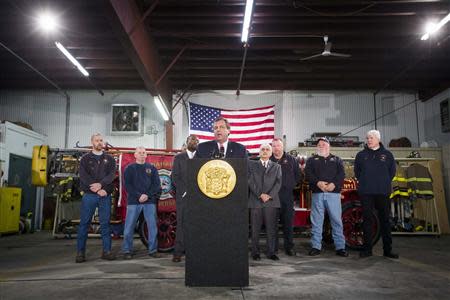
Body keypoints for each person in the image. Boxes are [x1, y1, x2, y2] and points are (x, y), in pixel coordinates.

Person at [355, 130, 398, 259]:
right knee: (367, 221)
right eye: (367, 138)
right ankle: (367, 249)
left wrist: (382, 182)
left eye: (371, 138)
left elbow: (392, 172)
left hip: (382, 192)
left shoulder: (388, 155)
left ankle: (387, 250)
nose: (369, 140)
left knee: (385, 221)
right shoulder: (361, 155)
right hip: (366, 193)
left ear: (378, 139)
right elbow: (357, 172)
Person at [76, 133, 116, 263]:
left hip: (104, 195)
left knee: (105, 224)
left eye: (101, 140)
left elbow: (111, 176)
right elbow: (83, 176)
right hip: (89, 196)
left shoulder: (109, 159)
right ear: (92, 142)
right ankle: (80, 253)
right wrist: (96, 187)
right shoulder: (85, 159)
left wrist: (102, 186)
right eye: (97, 140)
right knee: (84, 224)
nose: (100, 142)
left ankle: (107, 251)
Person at [304, 137, 348, 257]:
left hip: (333, 194)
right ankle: (316, 246)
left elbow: (341, 174)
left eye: (323, 144)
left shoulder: (337, 160)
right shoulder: (312, 160)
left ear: (329, 146)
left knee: (336, 221)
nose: (321, 146)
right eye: (319, 144)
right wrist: (318, 183)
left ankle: (340, 247)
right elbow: (308, 173)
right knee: (317, 221)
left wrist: (334, 184)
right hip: (318, 194)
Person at [122, 147, 161, 259]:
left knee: (152, 227)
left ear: (146, 155)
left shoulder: (152, 168)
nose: (142, 154)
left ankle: (153, 250)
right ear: (135, 155)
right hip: (134, 202)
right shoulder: (129, 168)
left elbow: (156, 185)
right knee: (129, 227)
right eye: (140, 153)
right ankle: (127, 250)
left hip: (149, 201)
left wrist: (147, 195)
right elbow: (127, 185)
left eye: (144, 153)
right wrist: (139, 196)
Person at [248, 144, 282, 261]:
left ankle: (271, 252)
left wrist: (269, 195)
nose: (265, 151)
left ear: (271, 153)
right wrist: (260, 194)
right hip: (255, 201)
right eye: (263, 149)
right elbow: (250, 181)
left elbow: (278, 183)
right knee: (255, 229)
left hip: (271, 202)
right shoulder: (251, 164)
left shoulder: (277, 167)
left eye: (268, 149)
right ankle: (255, 252)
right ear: (259, 152)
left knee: (271, 229)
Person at [270, 138, 301, 256]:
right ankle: (274, 248)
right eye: (274, 146)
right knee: (272, 225)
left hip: (287, 197)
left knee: (288, 224)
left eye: (278, 145)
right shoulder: (269, 160)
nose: (276, 148)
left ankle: (289, 247)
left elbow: (298, 175)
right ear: (272, 148)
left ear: (282, 147)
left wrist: (290, 185)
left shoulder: (291, 160)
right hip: (272, 197)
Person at [171, 135, 199, 262]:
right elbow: (175, 177)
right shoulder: (179, 158)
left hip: (198, 197)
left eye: (196, 141)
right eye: (192, 140)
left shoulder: (201, 158)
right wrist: (185, 191)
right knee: (181, 224)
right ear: (187, 142)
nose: (194, 142)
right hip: (183, 196)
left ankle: (193, 251)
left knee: (196, 224)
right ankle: (178, 252)